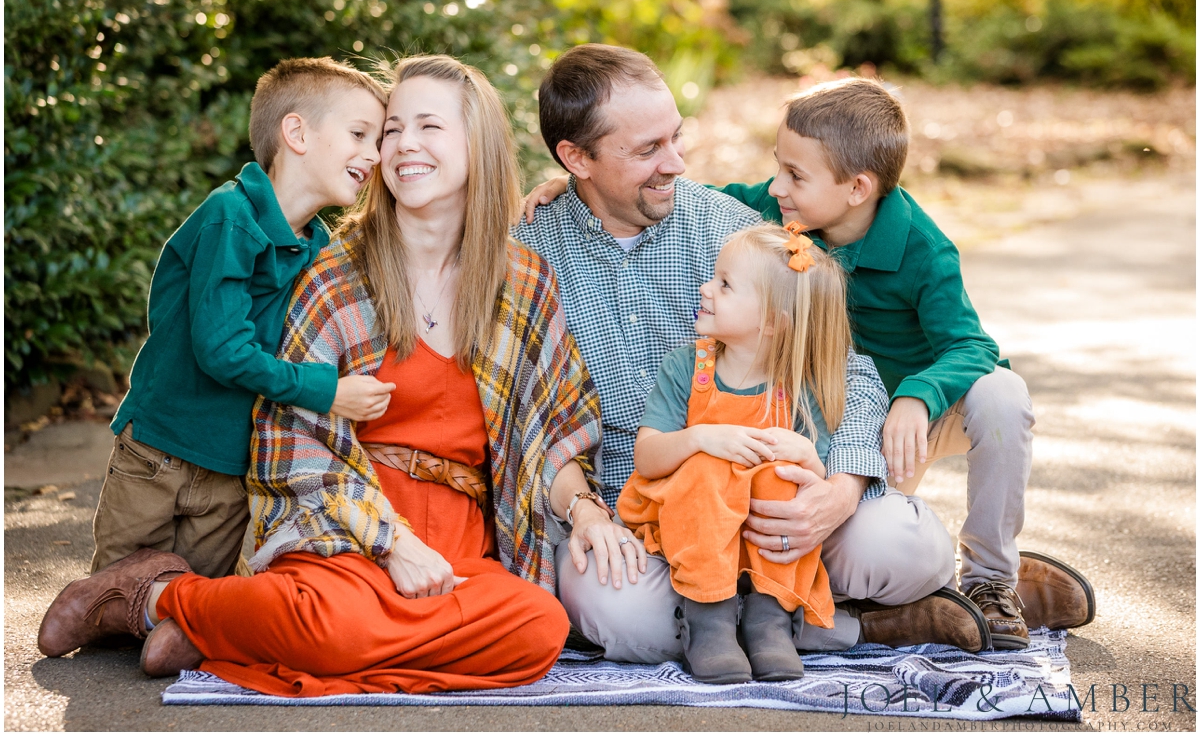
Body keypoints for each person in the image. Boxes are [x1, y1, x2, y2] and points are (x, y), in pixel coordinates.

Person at [38, 54, 640, 696]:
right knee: (330, 620)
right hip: (344, 530)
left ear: (478, 143)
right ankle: (156, 595)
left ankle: (227, 627)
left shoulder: (521, 284)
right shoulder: (334, 272)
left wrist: (586, 510)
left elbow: (554, 434)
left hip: (461, 548)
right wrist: (392, 544)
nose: (404, 144)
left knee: (537, 628)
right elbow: (289, 436)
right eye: (392, 129)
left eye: (428, 127)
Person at [516, 44, 986, 666]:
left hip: (775, 508)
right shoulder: (526, 257)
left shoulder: (730, 227)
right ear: (575, 158)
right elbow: (524, 419)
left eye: (676, 138)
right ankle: (844, 630)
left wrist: (841, 490)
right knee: (620, 615)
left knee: (910, 547)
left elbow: (848, 368)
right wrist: (584, 513)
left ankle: (743, 618)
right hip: (649, 520)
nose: (676, 164)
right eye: (648, 150)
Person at [707, 77, 1095, 647]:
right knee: (857, 547)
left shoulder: (920, 247)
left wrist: (917, 395)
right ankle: (908, 608)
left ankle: (990, 580)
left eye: (795, 174)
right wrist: (569, 191)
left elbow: (972, 346)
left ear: (858, 187)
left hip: (913, 423)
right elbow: (687, 199)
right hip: (837, 427)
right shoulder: (774, 206)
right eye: (778, 167)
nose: (775, 185)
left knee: (1002, 394)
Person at [64, 57, 397, 588]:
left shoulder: (316, 246)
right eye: (360, 134)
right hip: (160, 451)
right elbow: (221, 349)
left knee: (189, 603)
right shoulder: (231, 216)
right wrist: (325, 391)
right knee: (112, 595)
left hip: (230, 471)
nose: (375, 154)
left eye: (377, 140)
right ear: (296, 133)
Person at [618, 224, 852, 683]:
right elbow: (646, 458)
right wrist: (699, 438)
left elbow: (819, 483)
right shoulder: (688, 367)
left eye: (725, 284)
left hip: (763, 537)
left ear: (771, 322)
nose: (706, 288)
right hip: (690, 523)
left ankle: (770, 621)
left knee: (785, 472)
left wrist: (807, 454)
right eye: (713, 277)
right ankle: (709, 620)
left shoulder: (799, 388)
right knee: (706, 468)